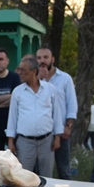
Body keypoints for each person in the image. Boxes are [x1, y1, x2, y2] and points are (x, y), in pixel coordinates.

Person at [6, 56, 63, 177]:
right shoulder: (18, 91)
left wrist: (57, 136)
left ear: (34, 72)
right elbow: (12, 117)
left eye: (23, 70)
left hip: (46, 141)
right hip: (25, 142)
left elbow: (56, 113)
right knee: (24, 177)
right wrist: (10, 141)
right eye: (19, 69)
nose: (19, 73)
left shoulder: (49, 89)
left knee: (47, 177)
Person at [36, 47, 78, 179]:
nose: (42, 61)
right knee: (40, 170)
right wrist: (38, 79)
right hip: (41, 132)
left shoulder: (65, 78)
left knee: (63, 168)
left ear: (52, 59)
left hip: (60, 130)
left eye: (45, 57)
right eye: (39, 58)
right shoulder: (34, 81)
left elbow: (71, 103)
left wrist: (68, 125)